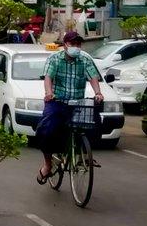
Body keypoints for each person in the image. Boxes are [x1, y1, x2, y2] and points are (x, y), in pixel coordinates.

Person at [35, 30, 101, 183]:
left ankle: (83, 155)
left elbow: (93, 77)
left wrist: (98, 92)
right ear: (65, 45)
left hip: (77, 103)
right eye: (73, 44)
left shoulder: (85, 59)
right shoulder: (55, 59)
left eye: (78, 44)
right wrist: (49, 92)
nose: (76, 47)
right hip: (57, 101)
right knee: (46, 130)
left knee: (94, 123)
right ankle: (47, 164)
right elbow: (48, 77)